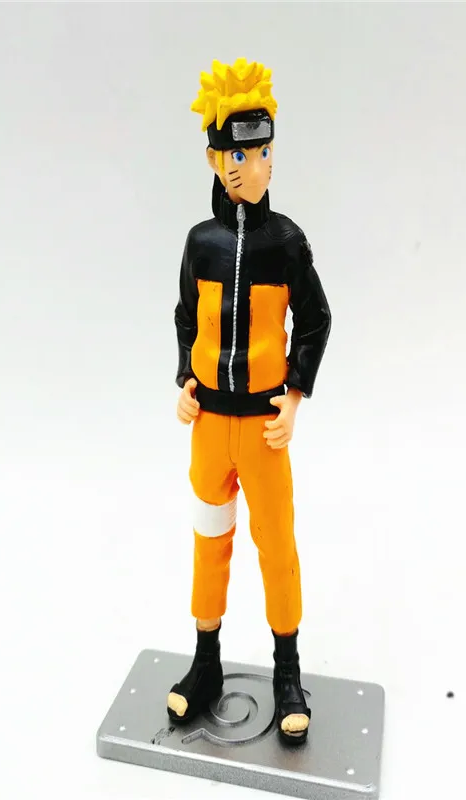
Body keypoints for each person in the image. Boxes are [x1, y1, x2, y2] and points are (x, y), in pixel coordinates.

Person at [167, 58, 332, 744]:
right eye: (237, 154)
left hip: (264, 427)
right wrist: (185, 379)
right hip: (209, 426)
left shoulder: (286, 242)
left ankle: (287, 670)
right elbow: (186, 317)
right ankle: (205, 661)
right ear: (215, 158)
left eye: (261, 152)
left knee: (275, 545)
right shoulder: (201, 244)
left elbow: (315, 320)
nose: (251, 167)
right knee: (209, 540)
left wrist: (294, 397)